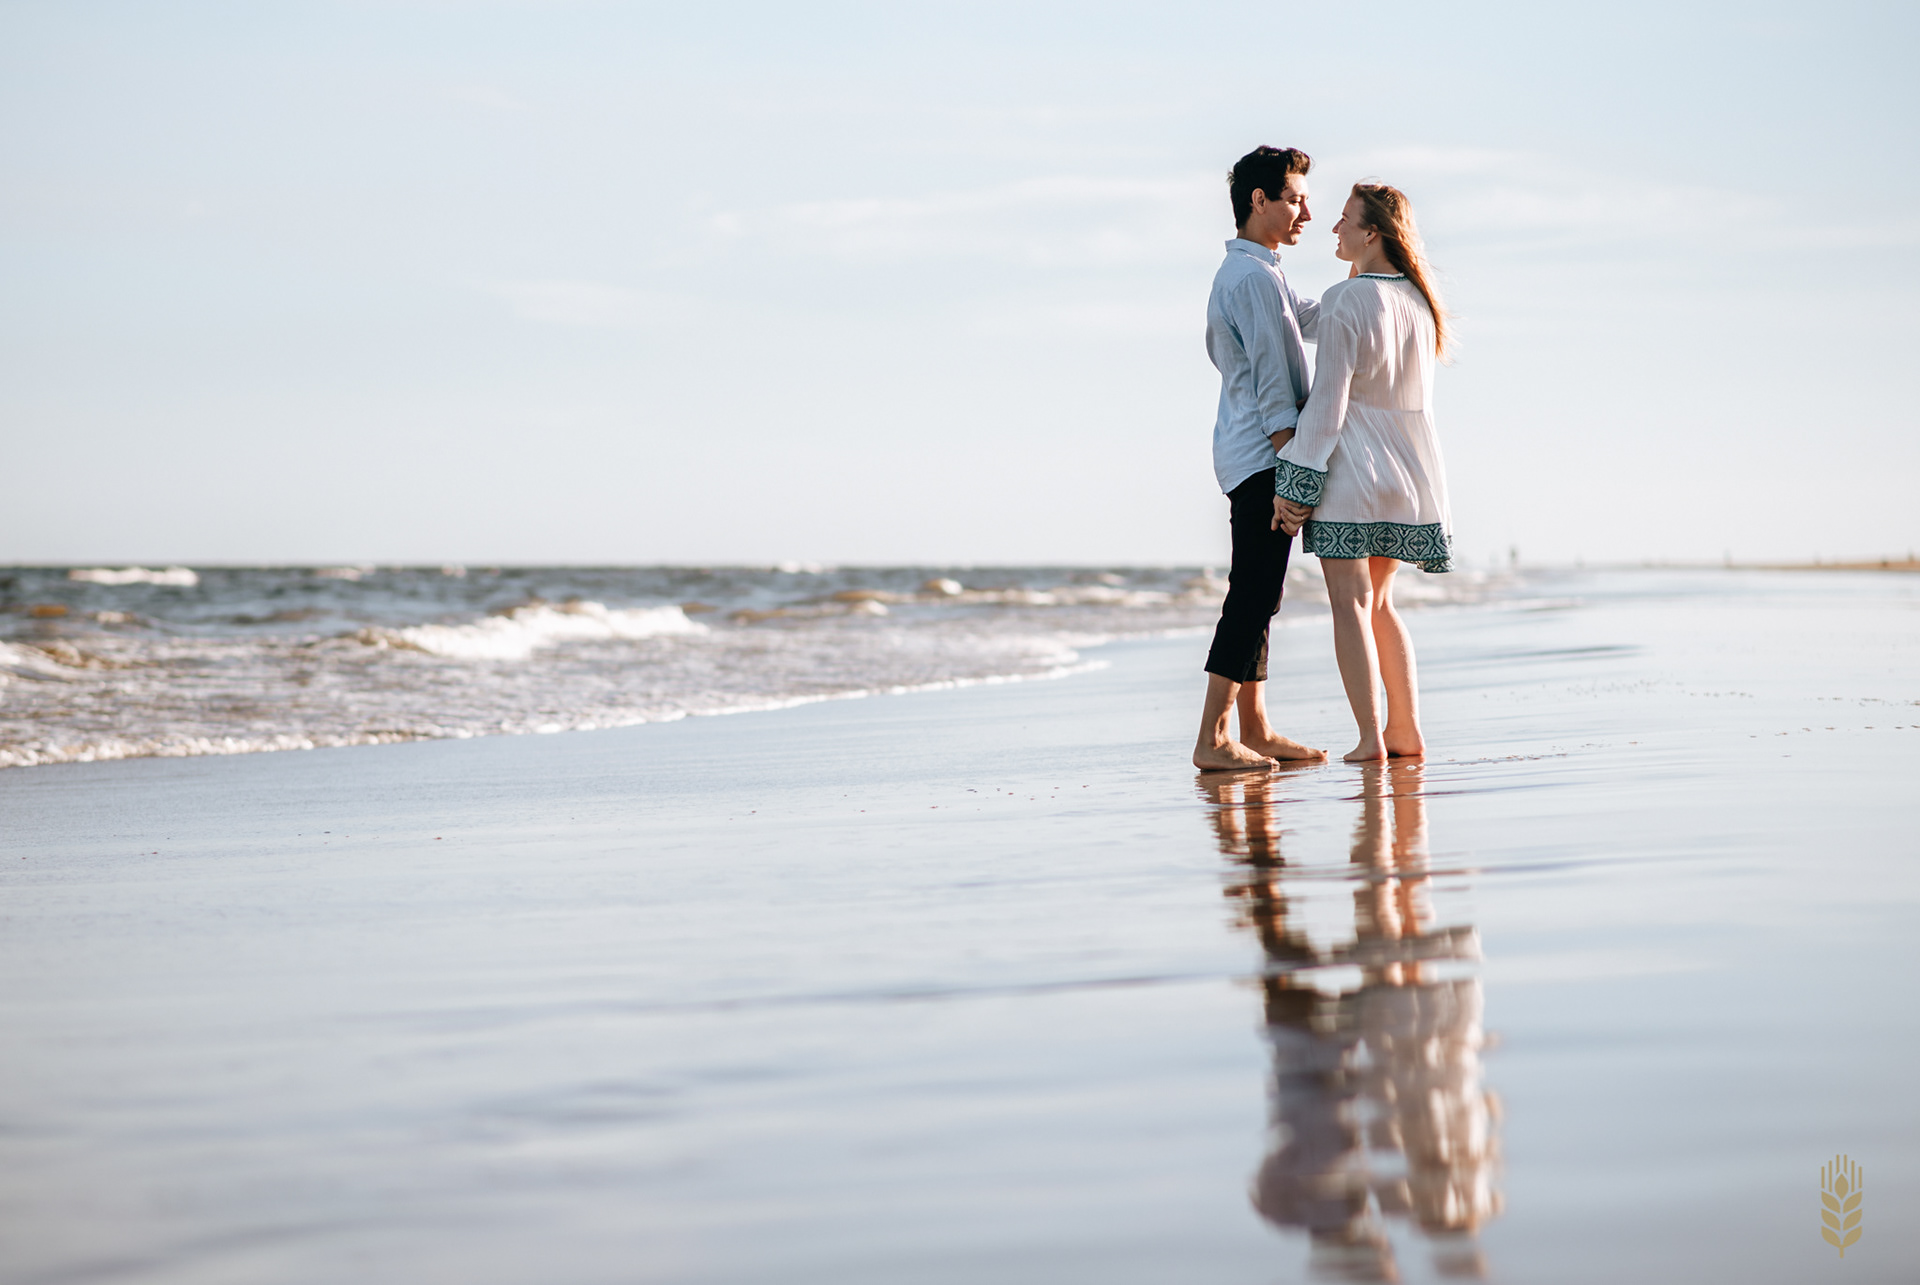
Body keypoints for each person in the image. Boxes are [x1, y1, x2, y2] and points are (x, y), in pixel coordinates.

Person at [1272, 183, 1453, 762]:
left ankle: (1370, 740)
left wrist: (1295, 486)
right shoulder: (1421, 305)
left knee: (1349, 604)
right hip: (1407, 470)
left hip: (1353, 470)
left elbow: (1327, 408)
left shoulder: (1349, 301)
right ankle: (1405, 730)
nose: (1334, 229)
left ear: (1371, 233)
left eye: (1344, 220)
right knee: (1381, 604)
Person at [1193, 146, 1329, 772]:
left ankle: (1256, 726)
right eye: (1296, 198)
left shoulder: (1261, 269)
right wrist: (1291, 473)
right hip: (1262, 456)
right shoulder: (1250, 277)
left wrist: (1371, 287)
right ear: (1259, 200)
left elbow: (1302, 320)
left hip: (1250, 451)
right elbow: (1275, 381)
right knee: (1252, 593)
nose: (1306, 210)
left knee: (1262, 592)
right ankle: (1215, 736)